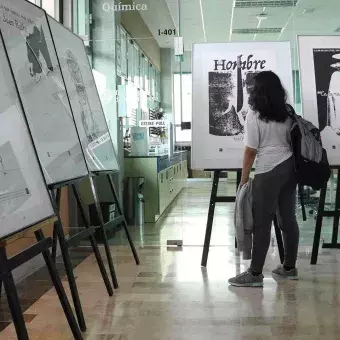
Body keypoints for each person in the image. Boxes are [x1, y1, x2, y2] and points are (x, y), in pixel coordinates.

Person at [228, 71, 299, 287]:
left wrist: (243, 180)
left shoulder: (254, 114)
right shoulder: (287, 111)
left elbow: (250, 151)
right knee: (287, 218)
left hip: (268, 170)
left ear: (257, 90)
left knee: (262, 221)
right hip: (290, 167)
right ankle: (289, 267)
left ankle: (255, 274)